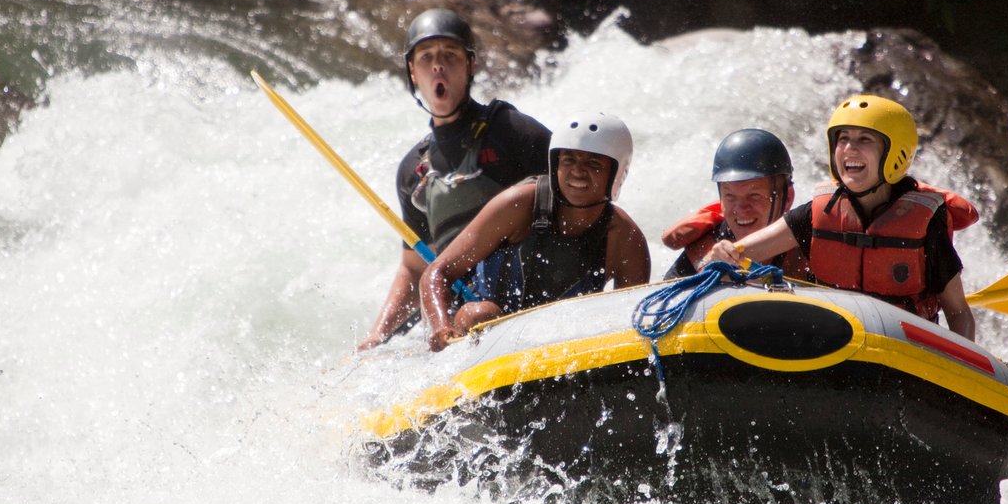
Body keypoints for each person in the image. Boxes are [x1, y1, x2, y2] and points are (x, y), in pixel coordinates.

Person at [705, 95, 979, 341]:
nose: (850, 148)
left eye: (864, 139)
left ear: (895, 151)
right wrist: (723, 254)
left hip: (903, 350)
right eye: (843, 139)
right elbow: (742, 254)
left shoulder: (926, 223)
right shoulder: (817, 213)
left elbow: (958, 312)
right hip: (838, 346)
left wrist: (966, 371)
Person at [357, 8, 551, 350]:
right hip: (458, 313)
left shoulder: (513, 131)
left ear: (470, 65)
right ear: (413, 73)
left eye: (450, 55)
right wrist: (378, 335)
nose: (437, 66)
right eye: (426, 58)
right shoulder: (412, 170)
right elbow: (417, 267)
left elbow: (583, 197)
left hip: (526, 294)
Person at [420, 111, 651, 352]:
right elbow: (437, 273)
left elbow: (630, 327)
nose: (577, 172)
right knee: (479, 314)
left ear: (616, 173)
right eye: (569, 160)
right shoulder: (519, 204)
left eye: (593, 163)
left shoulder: (625, 238)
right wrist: (440, 328)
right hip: (485, 333)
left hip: (565, 344)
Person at [661, 128, 809, 280]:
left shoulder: (808, 246)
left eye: (754, 196)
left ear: (788, 199)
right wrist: (711, 278)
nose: (740, 208)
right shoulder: (703, 250)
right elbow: (663, 300)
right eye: (730, 196)